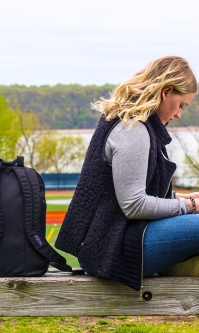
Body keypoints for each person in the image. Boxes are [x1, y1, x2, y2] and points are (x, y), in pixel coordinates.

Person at [55, 56, 199, 292]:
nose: (179, 114)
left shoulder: (134, 124)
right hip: (109, 248)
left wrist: (185, 198)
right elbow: (133, 205)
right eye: (181, 105)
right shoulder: (133, 130)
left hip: (117, 238)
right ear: (166, 91)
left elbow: (133, 198)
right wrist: (191, 206)